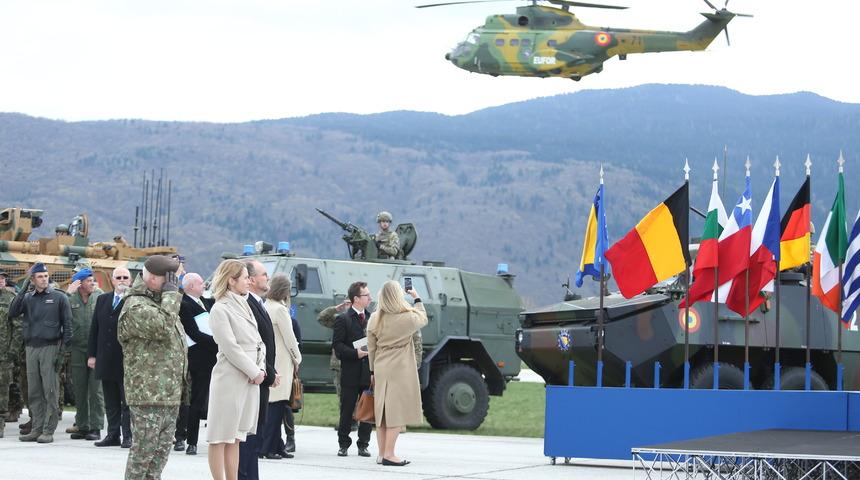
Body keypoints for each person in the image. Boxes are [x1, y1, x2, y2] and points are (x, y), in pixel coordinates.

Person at [118, 256, 188, 480]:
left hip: (168, 395)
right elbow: (162, 327)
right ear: (155, 278)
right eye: (170, 279)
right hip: (147, 396)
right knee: (143, 456)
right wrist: (170, 295)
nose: (174, 284)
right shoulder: (136, 305)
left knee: (159, 457)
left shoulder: (162, 303)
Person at [206, 259, 266, 480]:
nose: (249, 282)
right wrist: (254, 371)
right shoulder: (220, 308)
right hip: (230, 379)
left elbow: (257, 341)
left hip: (249, 379)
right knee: (220, 436)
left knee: (236, 437)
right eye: (244, 278)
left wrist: (259, 369)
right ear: (231, 281)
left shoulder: (244, 303)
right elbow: (230, 347)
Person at [10, 263, 72, 444]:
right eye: (40, 276)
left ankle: (48, 430)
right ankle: (36, 428)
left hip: (50, 347)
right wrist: (22, 290)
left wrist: (63, 354)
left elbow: (68, 326)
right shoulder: (28, 298)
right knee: (34, 391)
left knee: (50, 390)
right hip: (31, 348)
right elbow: (13, 312)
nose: (44, 279)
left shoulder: (59, 298)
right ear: (32, 280)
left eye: (45, 276)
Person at [367, 280, 427, 466]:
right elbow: (423, 317)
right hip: (399, 368)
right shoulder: (407, 318)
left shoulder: (375, 318)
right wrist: (416, 297)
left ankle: (382, 453)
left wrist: (372, 371)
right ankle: (389, 454)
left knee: (382, 412)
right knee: (395, 413)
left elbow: (371, 348)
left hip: (381, 366)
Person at [238, 259, 279, 480]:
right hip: (254, 379)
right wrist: (269, 373)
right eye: (264, 274)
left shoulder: (257, 303)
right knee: (248, 441)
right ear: (252, 280)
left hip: (262, 378)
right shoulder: (247, 305)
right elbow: (252, 345)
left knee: (255, 439)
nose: (268, 278)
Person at [88, 267, 133, 448]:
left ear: (130, 280)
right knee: (111, 400)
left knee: (127, 401)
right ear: (112, 280)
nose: (122, 280)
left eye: (125, 277)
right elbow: (95, 329)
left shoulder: (134, 300)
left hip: (126, 359)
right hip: (106, 358)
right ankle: (112, 435)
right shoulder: (102, 299)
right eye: (118, 277)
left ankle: (127, 436)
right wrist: (92, 355)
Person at [260, 274, 302, 460]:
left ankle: (277, 445)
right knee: (277, 407)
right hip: (282, 362)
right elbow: (290, 339)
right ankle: (268, 447)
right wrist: (297, 358)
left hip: (270, 360)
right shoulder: (280, 310)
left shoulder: (265, 306)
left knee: (273, 406)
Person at [176, 272, 215, 456]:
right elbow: (193, 332)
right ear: (190, 286)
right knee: (196, 400)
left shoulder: (206, 302)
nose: (204, 286)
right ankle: (191, 440)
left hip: (212, 356)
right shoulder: (184, 305)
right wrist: (217, 342)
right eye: (200, 283)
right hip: (198, 358)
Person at [333, 281, 373, 457]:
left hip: (368, 373)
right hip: (350, 372)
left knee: (367, 409)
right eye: (366, 295)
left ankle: (363, 444)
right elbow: (338, 346)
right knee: (347, 409)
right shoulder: (343, 319)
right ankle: (343, 443)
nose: (370, 298)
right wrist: (355, 354)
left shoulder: (373, 318)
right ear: (356, 298)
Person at [66, 267, 105, 441]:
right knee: (79, 389)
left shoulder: (100, 296)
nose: (92, 283)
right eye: (88, 281)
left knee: (96, 390)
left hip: (96, 349)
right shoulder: (69, 298)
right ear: (79, 283)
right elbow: (60, 314)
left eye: (92, 280)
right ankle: (82, 426)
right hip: (77, 348)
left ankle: (95, 427)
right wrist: (67, 293)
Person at [0, 269, 18, 437]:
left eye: (3, 277)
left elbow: (18, 326)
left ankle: (0, 422)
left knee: (3, 387)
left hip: (4, 353)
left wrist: (13, 350)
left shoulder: (10, 299)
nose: (1, 280)